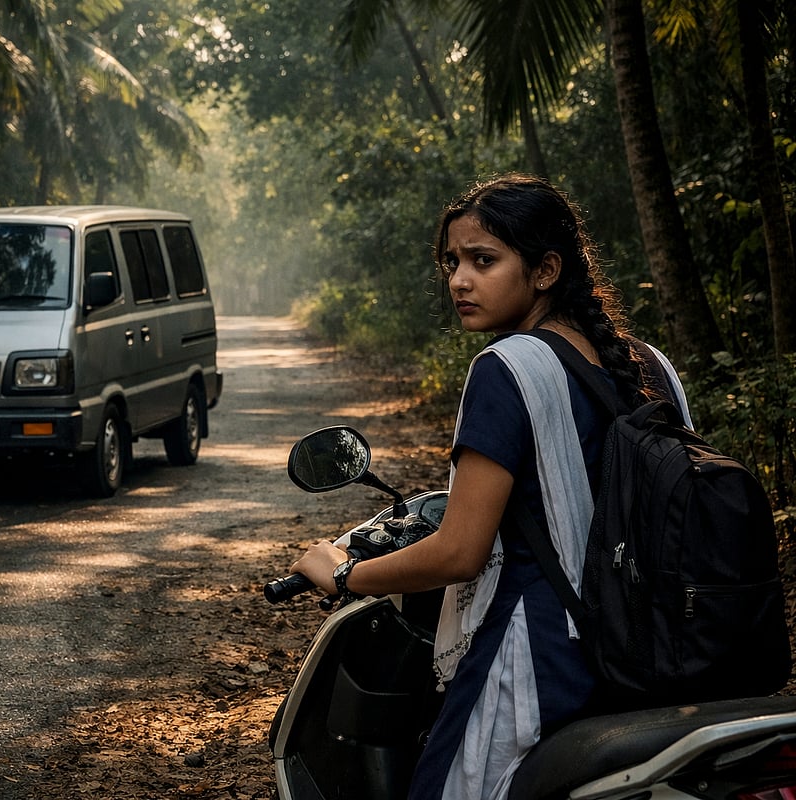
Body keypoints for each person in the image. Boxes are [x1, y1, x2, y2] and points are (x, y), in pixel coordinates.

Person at [290, 173, 691, 799]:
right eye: (452, 262)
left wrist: (343, 574)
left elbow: (460, 552)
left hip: (538, 660)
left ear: (545, 270)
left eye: (484, 260)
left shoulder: (506, 370)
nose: (459, 280)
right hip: (657, 649)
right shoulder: (649, 365)